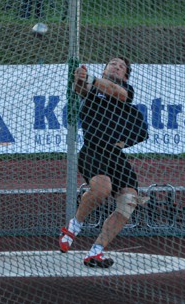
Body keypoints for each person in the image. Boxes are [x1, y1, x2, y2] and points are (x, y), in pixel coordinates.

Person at [59, 57, 149, 268]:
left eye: (121, 66)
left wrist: (124, 142)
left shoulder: (126, 91)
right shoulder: (93, 90)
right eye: (112, 64)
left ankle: (96, 252)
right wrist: (80, 77)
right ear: (104, 69)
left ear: (125, 75)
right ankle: (74, 227)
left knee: (129, 201)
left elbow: (119, 94)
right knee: (102, 190)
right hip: (93, 150)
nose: (116, 66)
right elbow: (80, 88)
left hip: (115, 156)